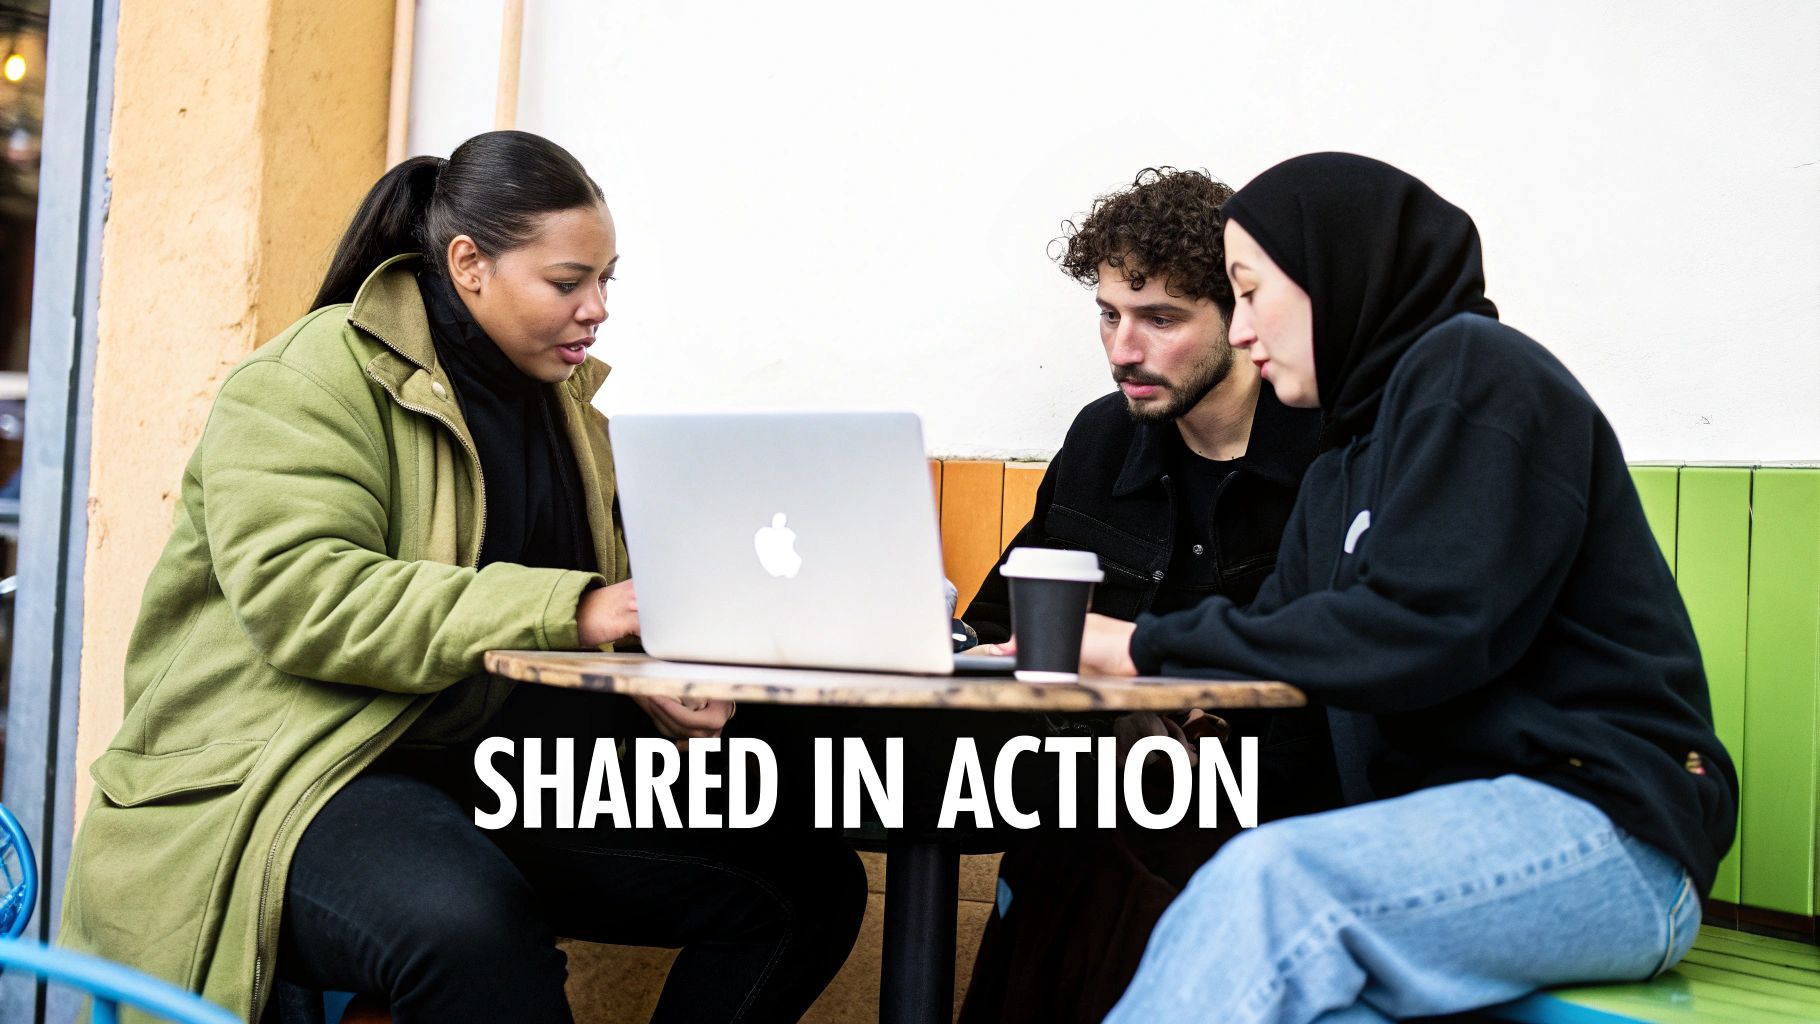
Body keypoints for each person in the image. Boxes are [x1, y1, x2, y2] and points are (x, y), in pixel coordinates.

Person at [59, 131, 865, 1024]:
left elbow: (603, 601)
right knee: (468, 927)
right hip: (296, 776)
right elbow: (306, 597)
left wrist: (653, 673)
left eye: (607, 281)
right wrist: (579, 608)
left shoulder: (567, 409)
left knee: (804, 884)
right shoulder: (308, 378)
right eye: (568, 282)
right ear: (469, 263)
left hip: (484, 771)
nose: (597, 308)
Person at [1084, 153, 1737, 1023]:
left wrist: (1137, 646)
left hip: (1608, 835)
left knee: (1275, 882)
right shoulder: (1341, 464)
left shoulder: (1475, 371)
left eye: (1250, 292)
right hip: (1444, 848)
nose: (1242, 331)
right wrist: (1061, 665)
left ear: (1336, 274)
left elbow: (1428, 627)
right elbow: (1277, 640)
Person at [955, 168, 1337, 1024]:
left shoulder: (1327, 460)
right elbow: (998, 622)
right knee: (1056, 850)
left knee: (1085, 861)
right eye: (1108, 314)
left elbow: (1329, 708)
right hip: (1095, 807)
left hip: (1267, 833)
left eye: (1161, 319)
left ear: (1241, 319)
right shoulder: (1102, 437)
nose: (1124, 347)